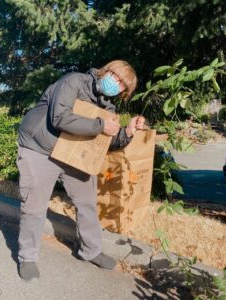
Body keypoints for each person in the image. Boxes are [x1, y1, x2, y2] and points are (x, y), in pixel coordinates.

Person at [16, 60, 145, 281]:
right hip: (39, 149)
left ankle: (90, 251)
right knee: (35, 205)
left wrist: (128, 132)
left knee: (87, 203)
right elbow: (59, 118)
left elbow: (108, 142)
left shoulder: (108, 107)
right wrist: (100, 125)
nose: (117, 84)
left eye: (123, 85)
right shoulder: (74, 81)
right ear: (107, 70)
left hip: (73, 154)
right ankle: (27, 257)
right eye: (116, 76)